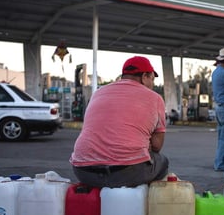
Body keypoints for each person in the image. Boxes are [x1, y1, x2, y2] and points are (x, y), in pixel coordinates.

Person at [70, 56, 168, 188]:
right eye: (152, 79)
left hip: (83, 171)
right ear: (145, 76)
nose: (153, 84)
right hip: (126, 173)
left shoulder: (98, 93)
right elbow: (156, 146)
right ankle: (142, 201)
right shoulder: (155, 98)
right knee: (162, 162)